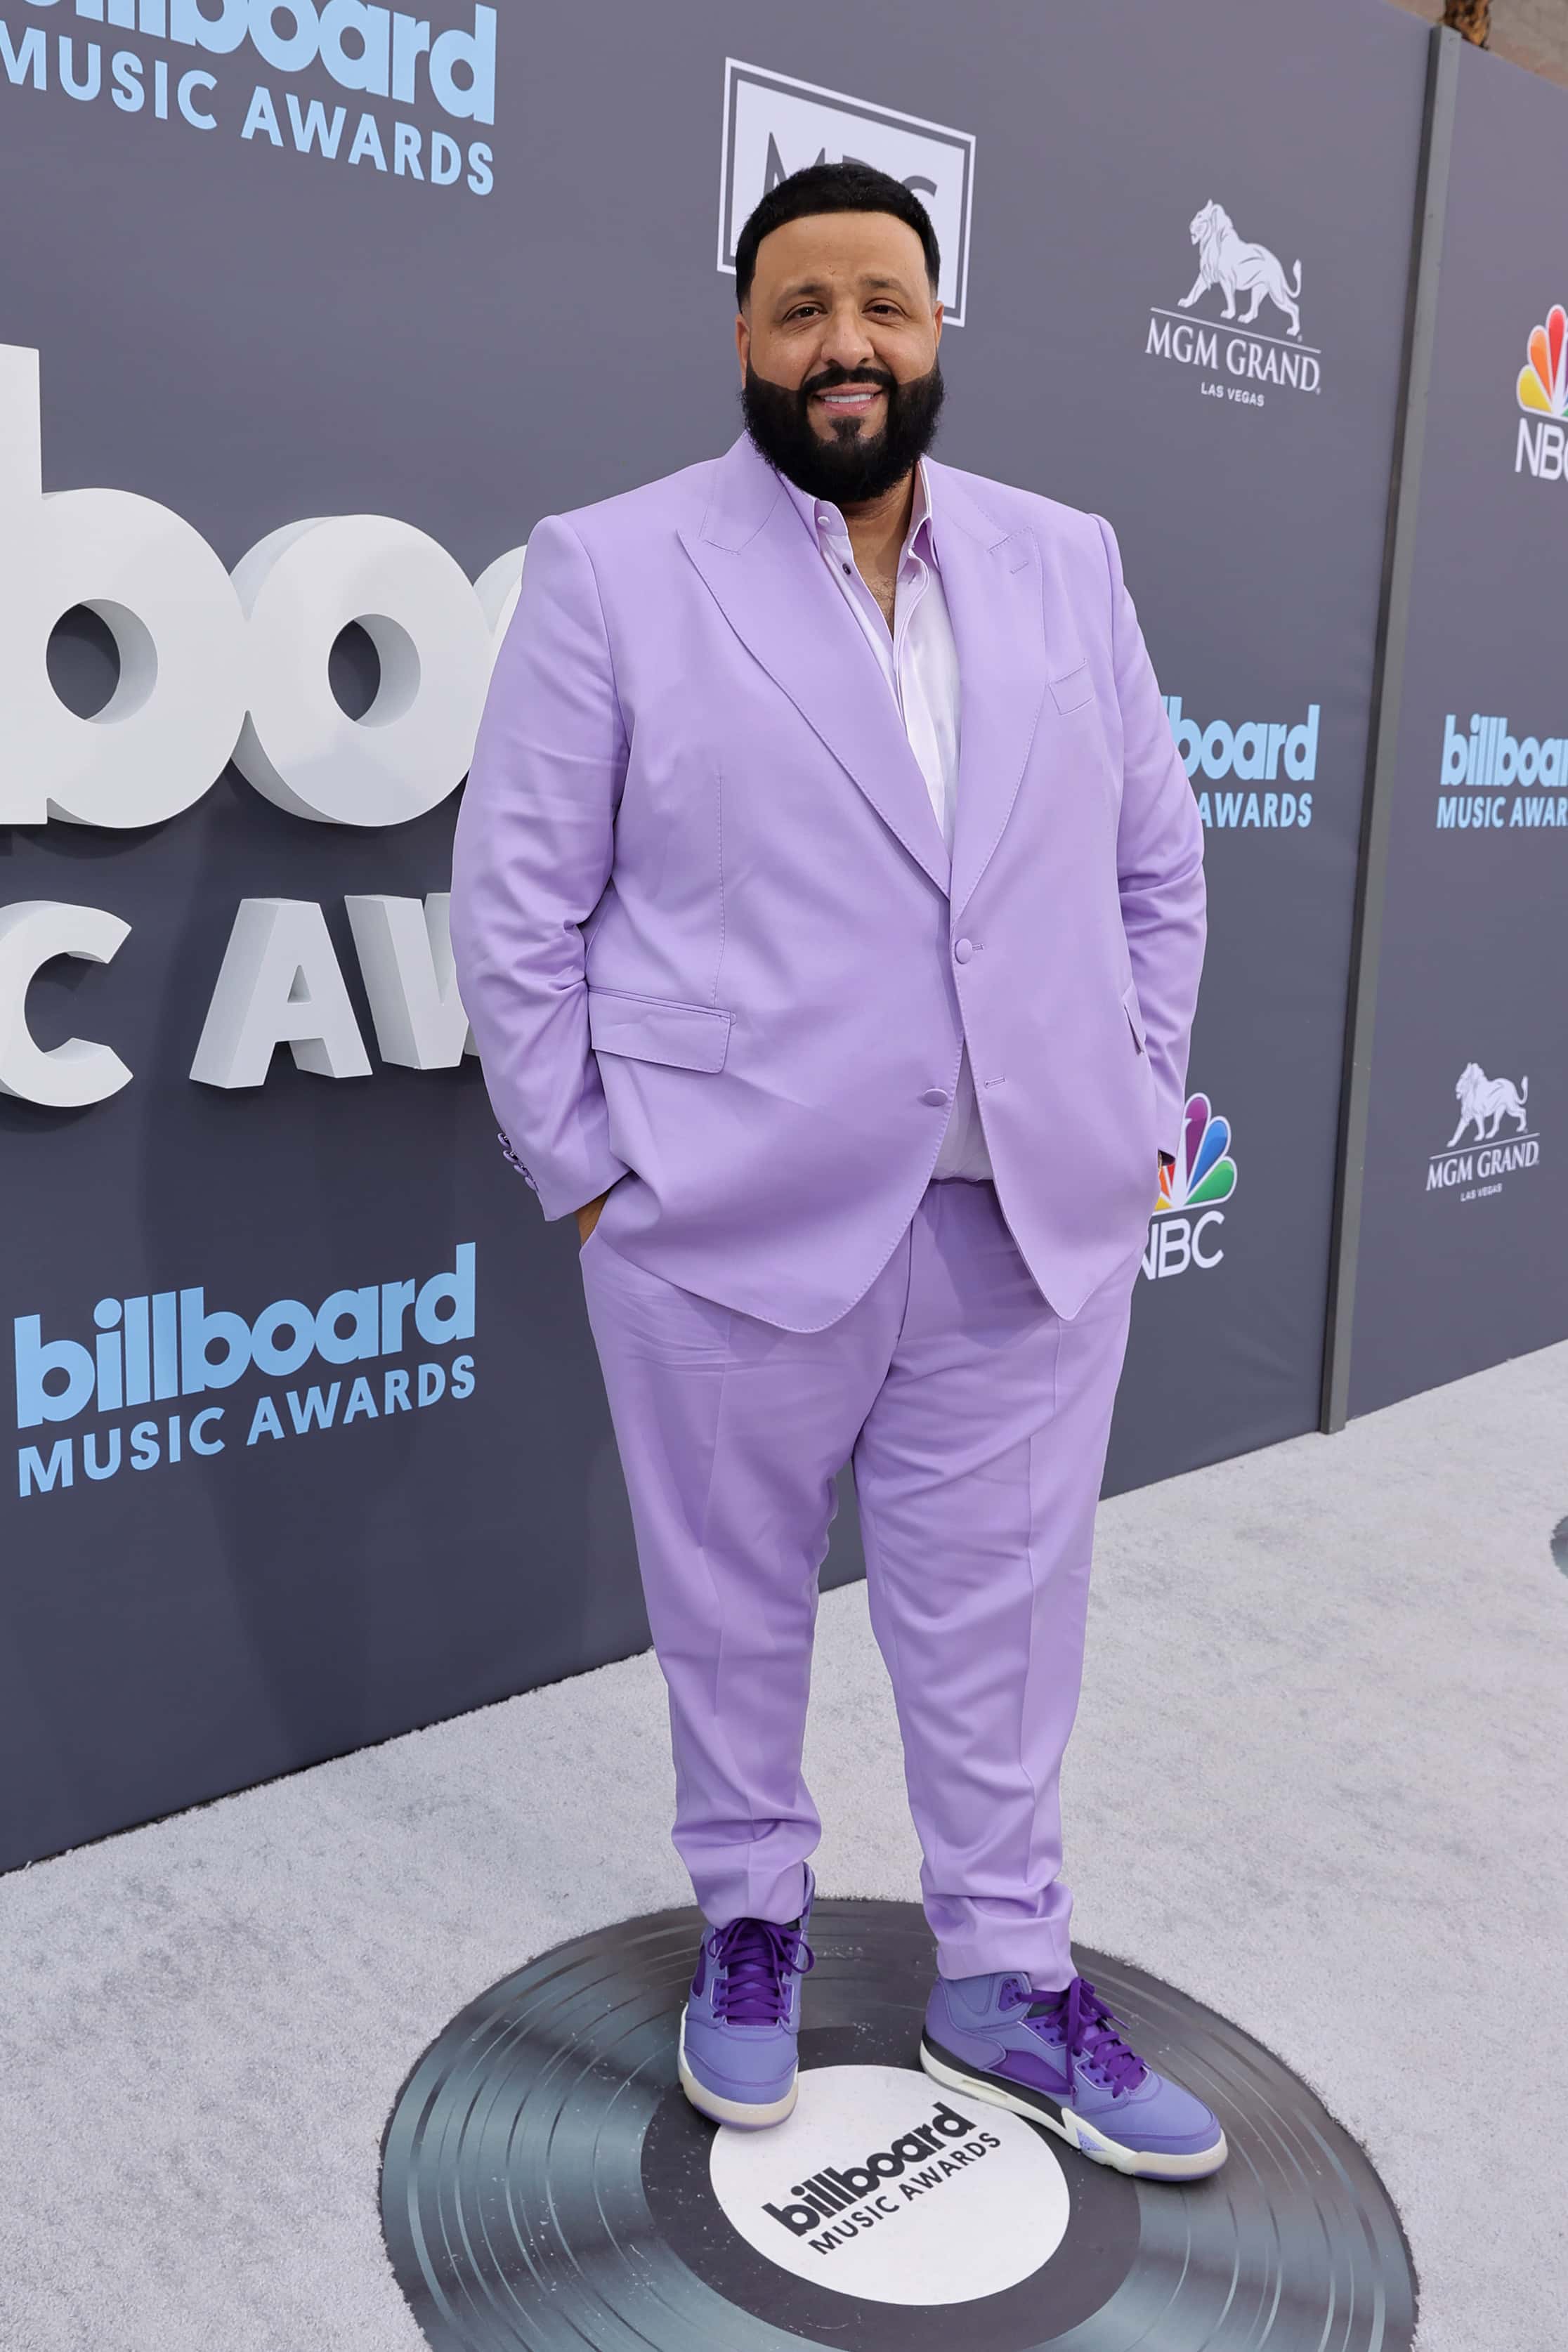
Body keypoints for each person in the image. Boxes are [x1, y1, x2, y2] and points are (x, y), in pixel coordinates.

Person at [451, 162, 1223, 2183]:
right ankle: (754, 1925)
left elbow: (1159, 863)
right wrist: (596, 1178)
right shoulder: (615, 568)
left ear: (939, 326)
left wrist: (1143, 1110)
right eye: (802, 309)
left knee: (1005, 1627)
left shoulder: (1071, 564)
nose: (846, 345)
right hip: (717, 1218)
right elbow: (516, 905)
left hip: (1027, 1216)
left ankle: (1004, 1971)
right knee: (729, 1612)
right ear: (743, 338)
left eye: (884, 303)